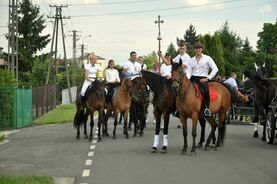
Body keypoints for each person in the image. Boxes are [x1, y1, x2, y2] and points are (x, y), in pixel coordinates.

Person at [189, 42, 219, 117]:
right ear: (194, 49)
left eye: (199, 48)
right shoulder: (191, 60)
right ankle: (179, 109)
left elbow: (215, 69)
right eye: (196, 48)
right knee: (182, 89)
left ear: (202, 49)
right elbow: (189, 71)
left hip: (203, 79)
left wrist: (208, 78)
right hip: (192, 78)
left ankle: (207, 109)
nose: (198, 50)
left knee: (206, 91)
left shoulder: (207, 58)